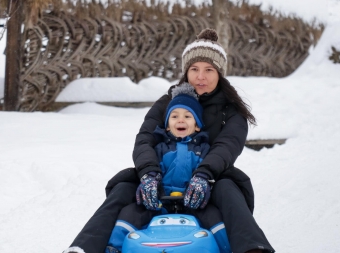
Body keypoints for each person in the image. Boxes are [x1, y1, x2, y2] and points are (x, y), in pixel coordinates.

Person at [63, 28, 275, 253]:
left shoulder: (231, 110)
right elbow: (145, 139)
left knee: (229, 188)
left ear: (219, 73)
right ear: (186, 71)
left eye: (209, 70)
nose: (200, 76)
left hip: (211, 180)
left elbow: (227, 146)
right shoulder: (167, 103)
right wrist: (148, 173)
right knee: (123, 187)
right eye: (194, 69)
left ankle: (253, 248)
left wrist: (204, 174)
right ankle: (84, 248)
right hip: (161, 177)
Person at [105, 82, 231, 253]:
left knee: (215, 218)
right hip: (159, 201)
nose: (180, 120)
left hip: (194, 202)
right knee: (130, 213)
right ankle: (114, 247)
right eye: (174, 116)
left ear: (197, 125)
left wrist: (204, 185)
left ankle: (228, 248)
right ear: (167, 125)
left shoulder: (204, 150)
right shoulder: (160, 149)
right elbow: (151, 167)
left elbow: (209, 171)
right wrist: (150, 182)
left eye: (188, 116)